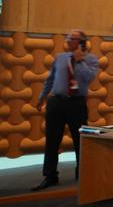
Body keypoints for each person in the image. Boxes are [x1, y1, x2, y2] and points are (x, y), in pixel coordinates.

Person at [31, 29, 99, 191]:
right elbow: (50, 79)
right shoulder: (60, 58)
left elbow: (89, 77)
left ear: (81, 42)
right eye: (68, 37)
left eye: (72, 38)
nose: (68, 40)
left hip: (77, 104)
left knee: (80, 140)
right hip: (56, 102)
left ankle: (82, 174)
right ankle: (50, 175)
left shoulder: (91, 60)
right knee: (52, 140)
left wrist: (80, 61)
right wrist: (42, 97)